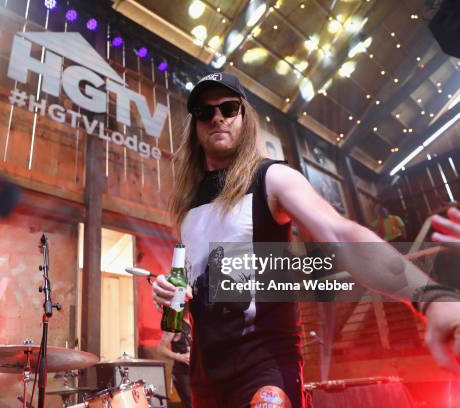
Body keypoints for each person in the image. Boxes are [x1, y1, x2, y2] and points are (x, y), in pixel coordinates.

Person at [152, 72, 460, 408]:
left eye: (228, 108)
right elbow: (197, 295)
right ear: (195, 125)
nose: (217, 119)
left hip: (264, 369)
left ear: (245, 118)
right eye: (205, 112)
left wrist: (431, 297)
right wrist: (173, 298)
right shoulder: (189, 208)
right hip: (205, 376)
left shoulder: (273, 178)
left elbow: (341, 234)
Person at [157, 313, 192, 408]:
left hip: (197, 372)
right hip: (182, 372)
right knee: (190, 402)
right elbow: (160, 348)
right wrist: (180, 357)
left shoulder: (197, 320)